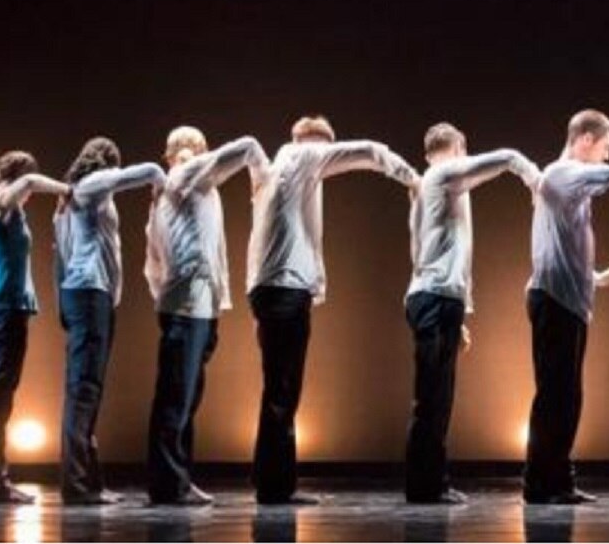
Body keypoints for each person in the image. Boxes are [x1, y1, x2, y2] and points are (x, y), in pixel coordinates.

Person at [246, 115, 419, 505]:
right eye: (325, 147)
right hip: (285, 288)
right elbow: (368, 152)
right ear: (313, 141)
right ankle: (275, 488)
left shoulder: (277, 172)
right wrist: (412, 179)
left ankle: (270, 480)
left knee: (278, 387)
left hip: (273, 288)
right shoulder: (303, 156)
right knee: (283, 390)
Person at [404, 122, 541, 504]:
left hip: (437, 298)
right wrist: (534, 180)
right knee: (432, 398)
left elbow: (428, 253)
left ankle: (430, 483)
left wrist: (461, 311)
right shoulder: (444, 173)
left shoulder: (426, 187)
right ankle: (425, 486)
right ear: (459, 147)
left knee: (437, 397)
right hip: (434, 300)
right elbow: (507, 157)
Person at [144, 127, 269, 505]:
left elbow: (153, 261)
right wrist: (263, 184)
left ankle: (176, 480)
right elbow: (248, 144)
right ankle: (170, 484)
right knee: (178, 398)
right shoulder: (188, 174)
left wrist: (168, 296)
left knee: (183, 397)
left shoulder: (167, 192)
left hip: (190, 302)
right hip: (188, 303)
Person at [522, 110, 609, 505]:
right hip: (553, 301)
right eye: (604, 148)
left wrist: (600, 277)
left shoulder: (573, 189)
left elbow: (564, 248)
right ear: (585, 138)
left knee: (569, 396)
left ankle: (558, 480)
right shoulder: (560, 174)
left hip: (569, 301)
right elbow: (607, 174)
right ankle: (539, 483)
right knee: (555, 395)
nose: (604, 157)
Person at [54, 137, 166, 504]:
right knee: (84, 390)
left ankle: (89, 481)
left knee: (87, 389)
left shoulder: (71, 199)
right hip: (89, 293)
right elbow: (149, 170)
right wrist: (160, 191)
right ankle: (78, 485)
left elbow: (62, 255)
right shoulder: (90, 185)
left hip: (86, 294)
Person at [0, 152, 70, 504]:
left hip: (3, 308)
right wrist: (67, 190)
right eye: (27, 182)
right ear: (17, 176)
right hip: (4, 312)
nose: (29, 192)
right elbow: (27, 184)